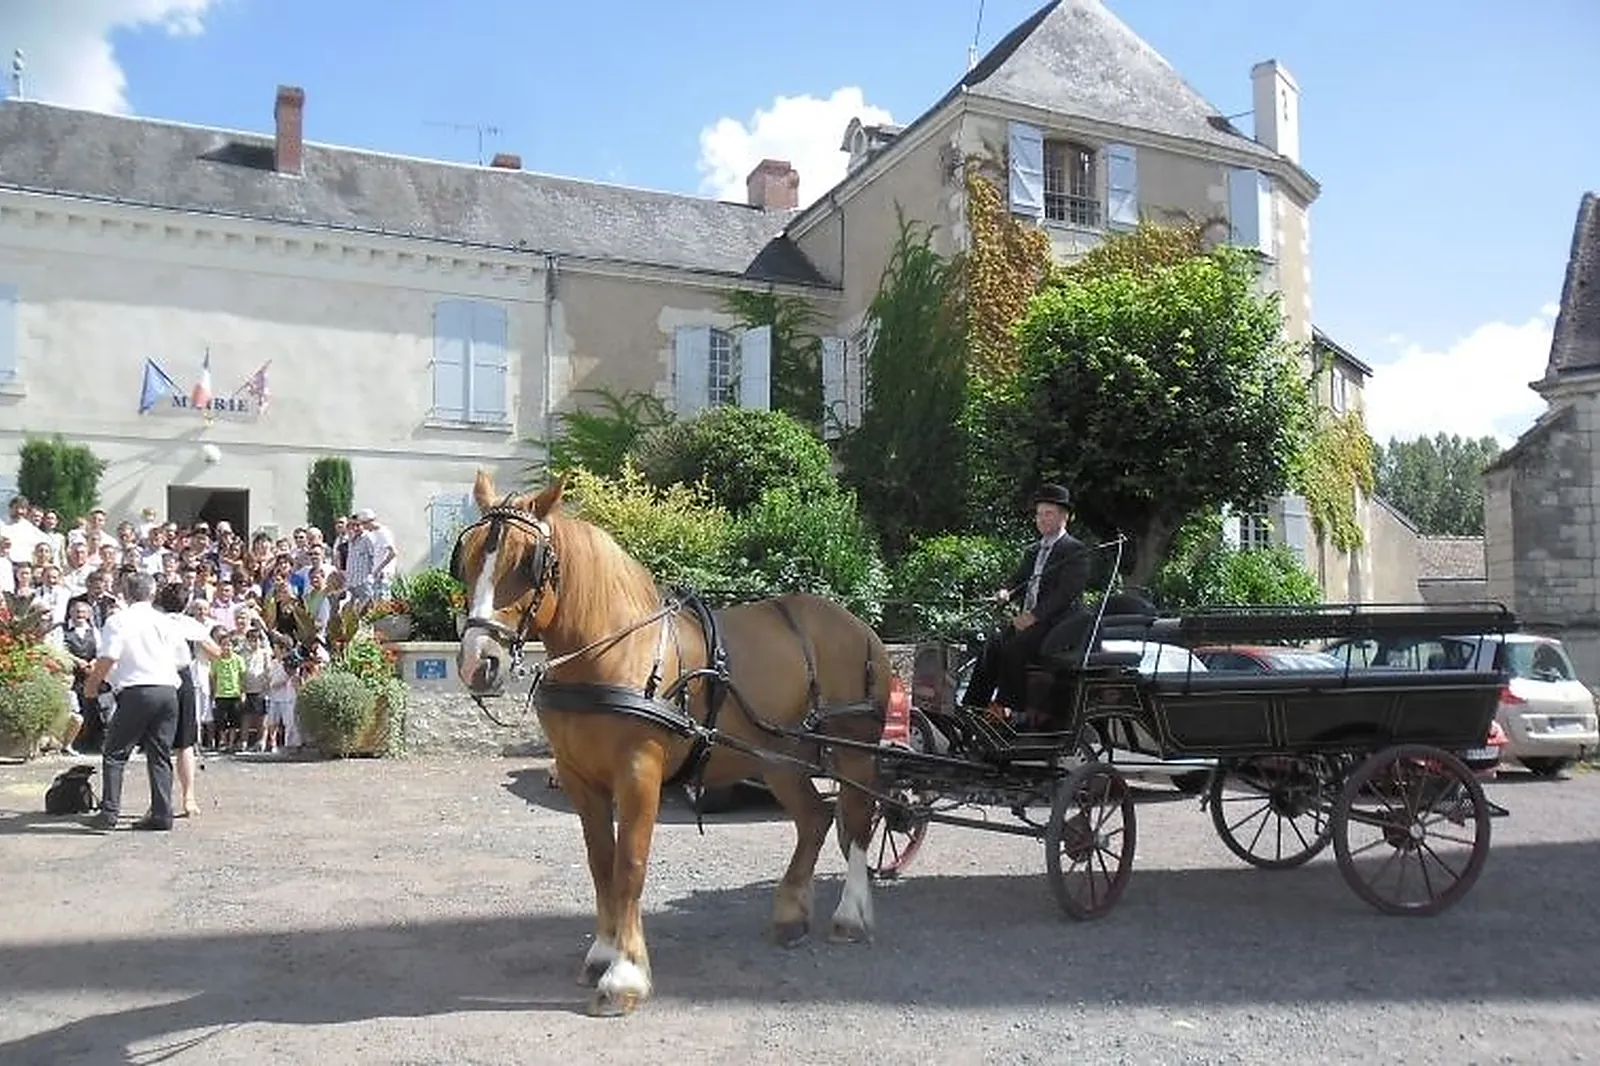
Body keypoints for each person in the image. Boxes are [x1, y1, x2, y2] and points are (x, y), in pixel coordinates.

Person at [962, 484, 1091, 715]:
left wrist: (1034, 616)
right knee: (992, 646)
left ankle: (1009, 708)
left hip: (1058, 623)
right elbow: (1019, 580)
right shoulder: (1033, 550)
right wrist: (1006, 592)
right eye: (1039, 514)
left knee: (1014, 649)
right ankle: (973, 706)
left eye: (1048, 514)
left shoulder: (1075, 550)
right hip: (1030, 619)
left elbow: (1066, 593)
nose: (1041, 519)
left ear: (1065, 517)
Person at [81, 571, 187, 831]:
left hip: (136, 690)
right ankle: (162, 813)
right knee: (160, 754)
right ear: (152, 593)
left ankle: (109, 813)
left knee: (115, 753)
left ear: (126, 594)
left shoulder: (118, 620)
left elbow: (108, 657)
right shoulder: (166, 622)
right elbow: (182, 659)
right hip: (167, 689)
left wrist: (92, 686)